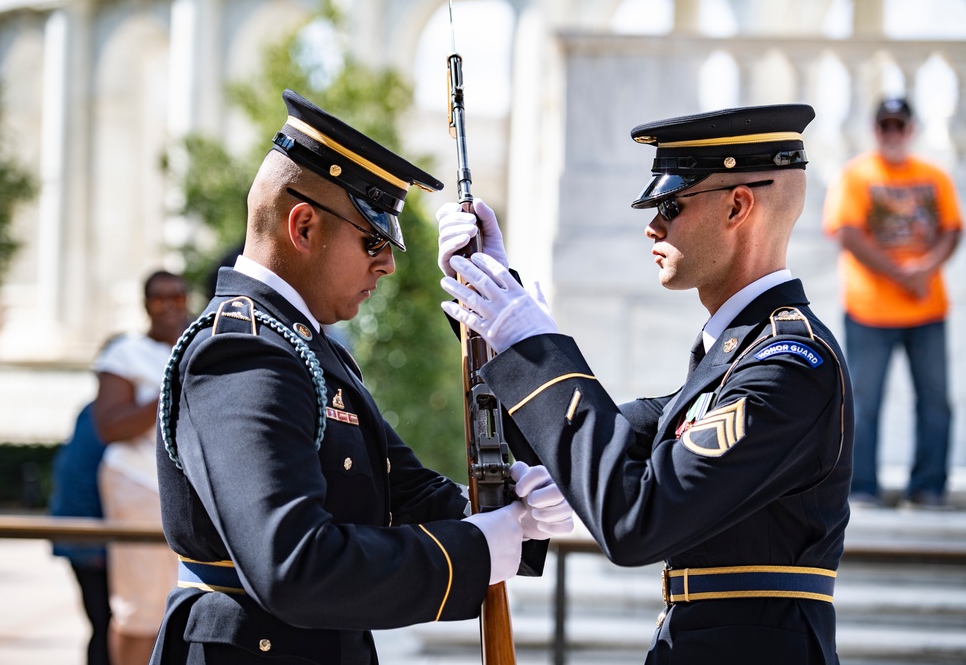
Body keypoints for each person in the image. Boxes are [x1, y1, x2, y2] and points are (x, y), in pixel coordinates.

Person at [149, 89, 572, 665]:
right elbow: (294, 564)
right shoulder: (240, 349)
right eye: (372, 239)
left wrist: (503, 509)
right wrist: (476, 548)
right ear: (302, 226)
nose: (388, 263)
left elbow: (401, 492)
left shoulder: (307, 347)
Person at [438, 104, 854, 664]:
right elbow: (563, 446)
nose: (651, 225)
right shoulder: (730, 361)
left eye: (670, 205)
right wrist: (489, 306)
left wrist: (534, 346)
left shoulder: (788, 364)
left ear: (738, 205)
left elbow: (635, 519)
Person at [823, 97, 962, 509]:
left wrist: (925, 267)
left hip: (927, 310)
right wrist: (902, 273)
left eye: (899, 126)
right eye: (885, 126)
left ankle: (929, 487)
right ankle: (863, 487)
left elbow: (952, 230)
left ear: (912, 129)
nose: (892, 134)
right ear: (874, 129)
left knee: (935, 401)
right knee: (863, 403)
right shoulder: (855, 175)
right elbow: (847, 233)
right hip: (869, 310)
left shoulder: (934, 176)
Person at [94, 270, 190, 665]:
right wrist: (170, 387)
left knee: (181, 600)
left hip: (185, 493)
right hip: (136, 483)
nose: (169, 305)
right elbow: (110, 426)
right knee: (140, 608)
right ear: (146, 304)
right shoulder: (124, 353)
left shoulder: (199, 343)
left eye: (177, 297)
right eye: (159, 297)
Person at [50, 401, 113, 665]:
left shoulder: (98, 411)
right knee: (108, 627)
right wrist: (95, 546)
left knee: (104, 626)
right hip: (91, 536)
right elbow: (81, 481)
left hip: (83, 533)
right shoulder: (111, 417)